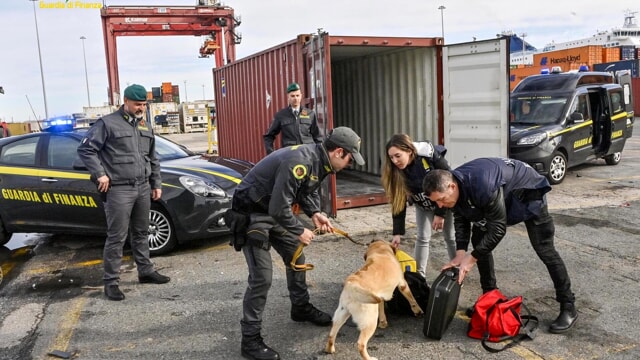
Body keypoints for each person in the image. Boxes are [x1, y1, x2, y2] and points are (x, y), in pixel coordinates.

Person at [231, 127, 365, 360]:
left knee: (296, 256)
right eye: (349, 158)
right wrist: (298, 230)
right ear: (338, 152)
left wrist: (314, 213)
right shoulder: (301, 161)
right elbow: (278, 207)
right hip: (252, 212)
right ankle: (250, 341)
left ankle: (300, 308)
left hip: (272, 211)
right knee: (262, 277)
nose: (349, 163)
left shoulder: (319, 160)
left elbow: (301, 190)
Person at [422, 157, 578, 334]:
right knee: (479, 241)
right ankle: (490, 297)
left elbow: (498, 229)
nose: (440, 205)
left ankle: (568, 305)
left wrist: (471, 259)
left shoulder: (482, 185)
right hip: (502, 195)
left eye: (441, 199)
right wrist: (460, 253)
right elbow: (461, 218)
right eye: (436, 202)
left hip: (527, 193)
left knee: (545, 250)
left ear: (452, 186)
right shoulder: (454, 189)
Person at [77, 84, 170, 302]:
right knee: (117, 237)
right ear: (125, 102)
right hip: (119, 189)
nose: (141, 108)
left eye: (144, 104)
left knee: (141, 231)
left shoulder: (145, 126)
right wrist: (100, 174)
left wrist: (156, 182)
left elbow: (153, 157)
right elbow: (86, 149)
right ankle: (111, 283)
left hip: (143, 187)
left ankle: (145, 271)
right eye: (137, 104)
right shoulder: (107, 124)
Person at [381, 134, 456, 277]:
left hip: (443, 201)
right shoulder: (396, 171)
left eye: (398, 156)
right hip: (423, 205)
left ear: (409, 151)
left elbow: (449, 186)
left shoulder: (427, 158)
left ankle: (457, 270)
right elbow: (398, 202)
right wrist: (397, 233)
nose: (395, 161)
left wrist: (441, 214)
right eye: (391, 157)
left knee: (450, 237)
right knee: (422, 237)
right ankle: (419, 276)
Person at [263, 82, 322, 155]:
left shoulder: (310, 114)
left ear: (301, 96)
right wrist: (271, 153)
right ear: (288, 97)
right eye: (292, 96)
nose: (295, 98)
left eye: (297, 95)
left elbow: (318, 137)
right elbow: (268, 136)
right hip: (290, 155)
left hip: (308, 154)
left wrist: (320, 154)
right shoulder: (281, 115)